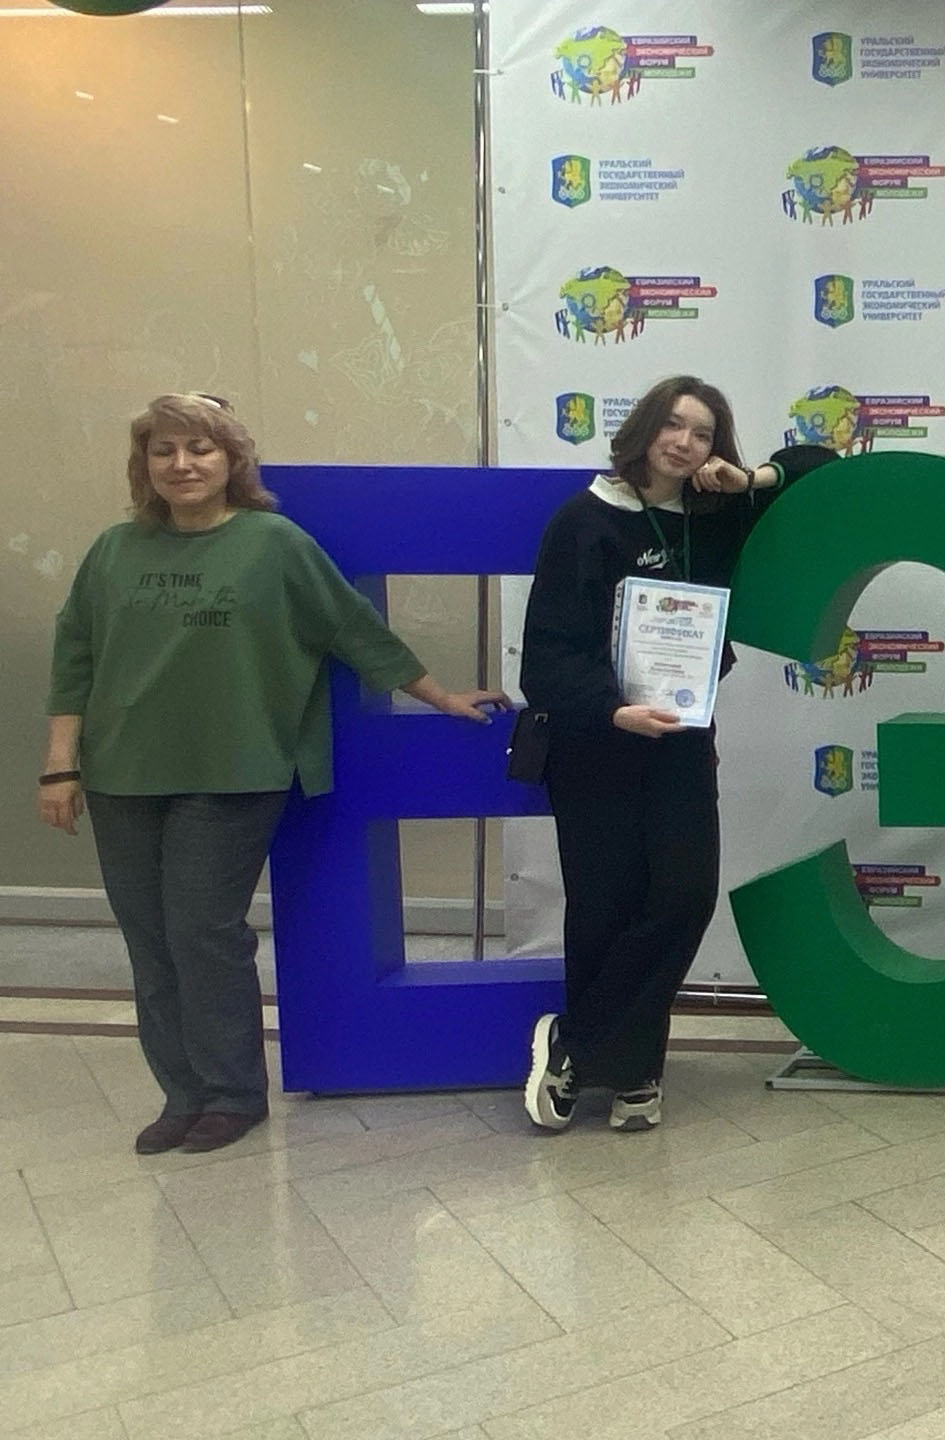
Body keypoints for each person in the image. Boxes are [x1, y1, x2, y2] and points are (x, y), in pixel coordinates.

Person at [41, 393, 506, 1156]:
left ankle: (231, 1094)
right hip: (122, 774)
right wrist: (59, 766)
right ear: (143, 464)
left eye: (200, 448)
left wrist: (442, 696)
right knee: (149, 940)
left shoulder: (275, 543)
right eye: (164, 450)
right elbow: (75, 656)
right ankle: (181, 1095)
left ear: (232, 460)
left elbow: (354, 629)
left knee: (201, 932)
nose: (182, 464)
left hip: (235, 771)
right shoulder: (114, 550)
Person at [517, 375, 837, 1133]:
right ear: (644, 429)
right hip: (596, 745)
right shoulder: (583, 521)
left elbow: (821, 466)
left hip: (681, 744)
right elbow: (548, 656)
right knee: (604, 908)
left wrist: (751, 478)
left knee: (684, 897)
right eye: (673, 425)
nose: (685, 443)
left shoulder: (716, 516)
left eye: (702, 433)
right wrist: (614, 710)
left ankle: (576, 1045)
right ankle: (633, 1073)